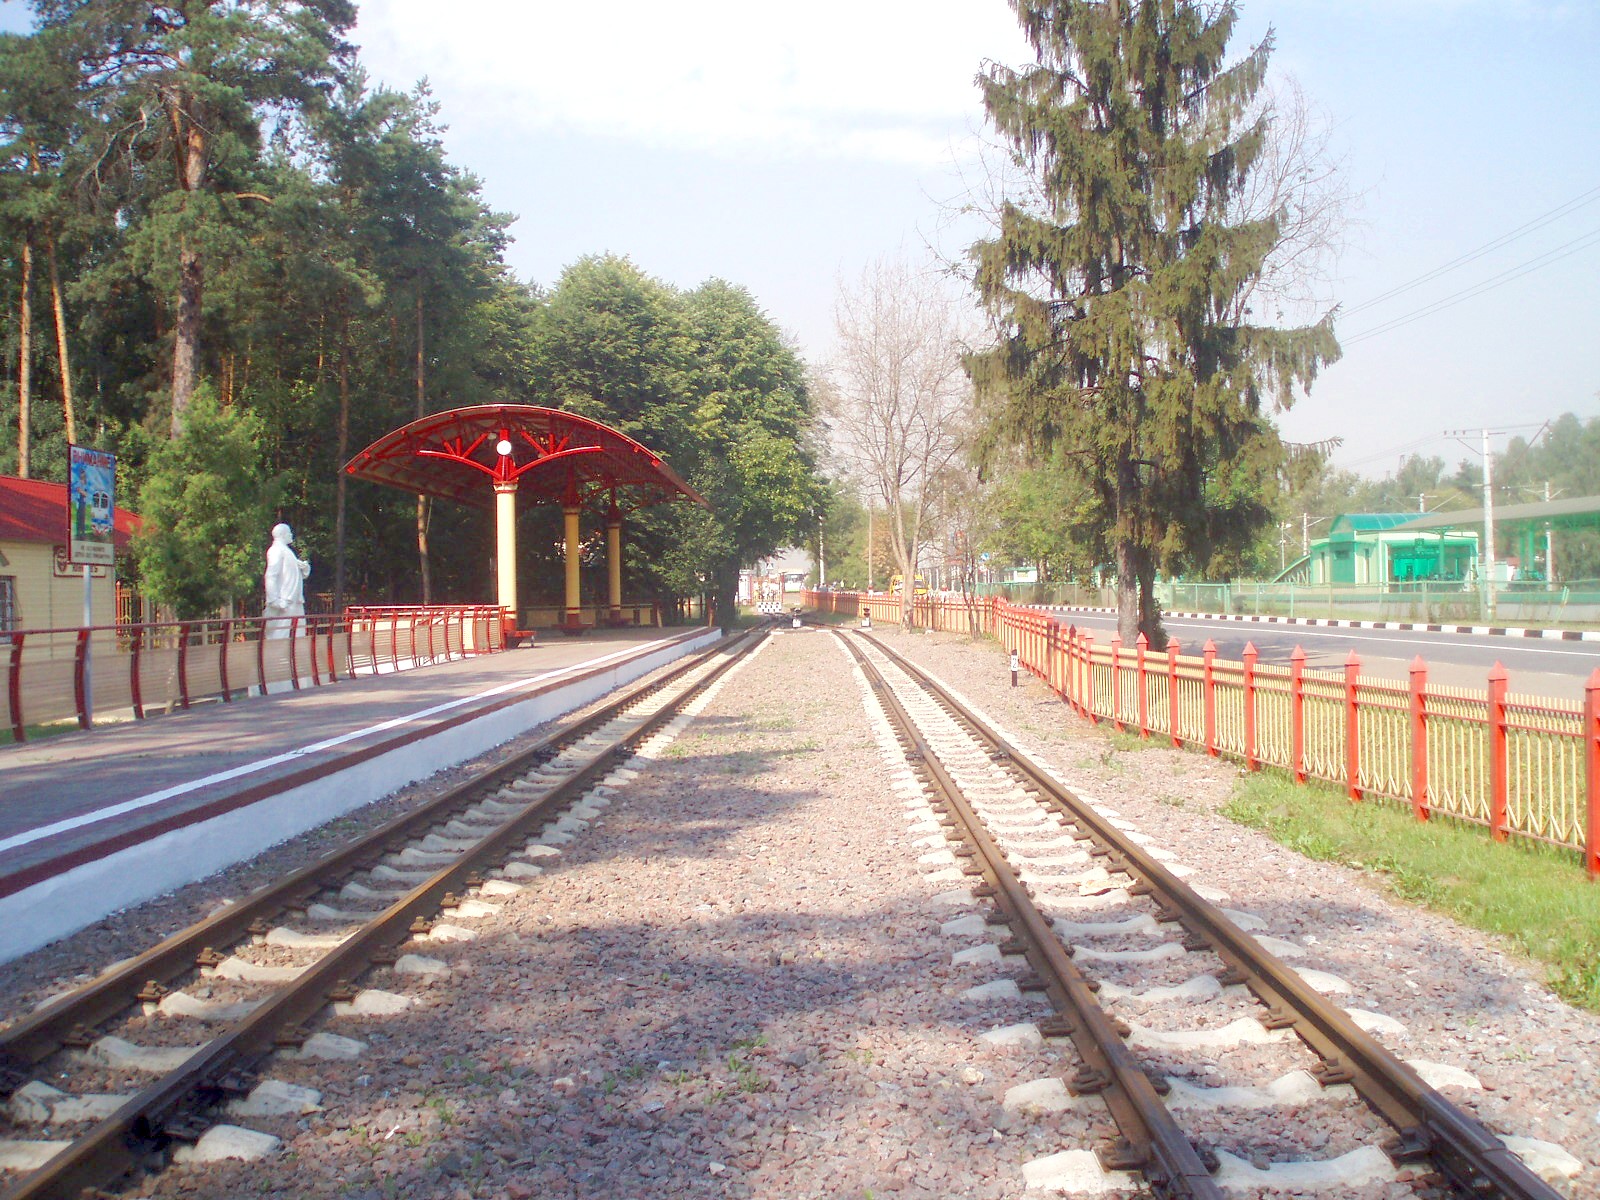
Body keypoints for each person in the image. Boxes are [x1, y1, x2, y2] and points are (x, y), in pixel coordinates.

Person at [263, 523, 311, 639]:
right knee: (280, 633)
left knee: (299, 633)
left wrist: (304, 569)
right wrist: (274, 600)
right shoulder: (276, 550)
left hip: (295, 600)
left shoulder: (287, 551)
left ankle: (297, 656)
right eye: (289, 532)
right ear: (282, 534)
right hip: (285, 601)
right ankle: (278, 657)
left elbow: (294, 575)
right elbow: (271, 575)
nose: (291, 535)